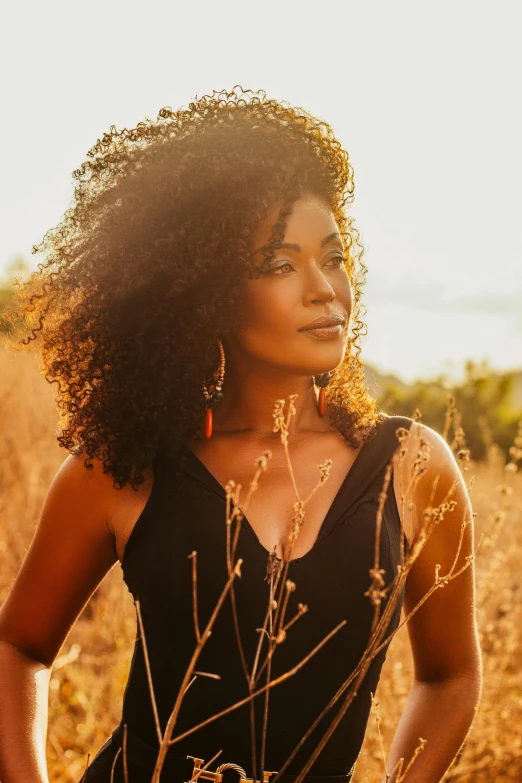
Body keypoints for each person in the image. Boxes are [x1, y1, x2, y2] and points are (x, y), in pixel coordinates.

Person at [0, 86, 481, 783]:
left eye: (333, 257)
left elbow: (450, 675)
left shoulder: (413, 467)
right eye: (280, 265)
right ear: (206, 295)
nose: (323, 288)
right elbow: (19, 643)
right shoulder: (124, 469)